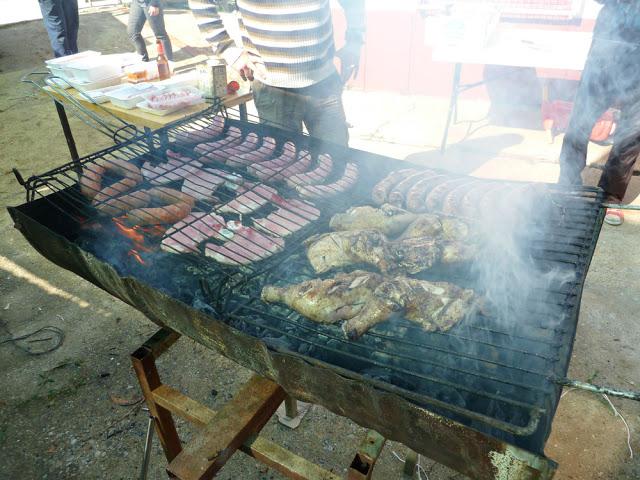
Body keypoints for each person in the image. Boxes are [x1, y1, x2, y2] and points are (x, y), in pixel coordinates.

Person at [187, 0, 366, 146]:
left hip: (324, 84)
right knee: (281, 168)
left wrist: (355, 41)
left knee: (338, 160)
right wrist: (229, 50)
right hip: (271, 89)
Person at [558, 0, 640, 225]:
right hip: (608, 44)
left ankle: (610, 196)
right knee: (580, 121)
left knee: (632, 133)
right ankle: (566, 185)